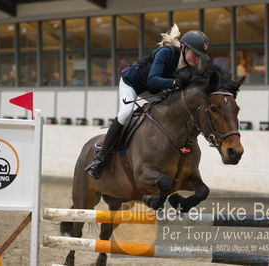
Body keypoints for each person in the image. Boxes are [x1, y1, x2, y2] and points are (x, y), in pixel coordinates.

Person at [87, 24, 210, 179]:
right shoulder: (167, 53)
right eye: (195, 53)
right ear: (184, 48)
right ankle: (100, 158)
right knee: (125, 113)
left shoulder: (189, 70)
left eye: (200, 56)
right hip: (132, 83)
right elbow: (152, 79)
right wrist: (173, 83)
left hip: (152, 91)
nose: (197, 58)